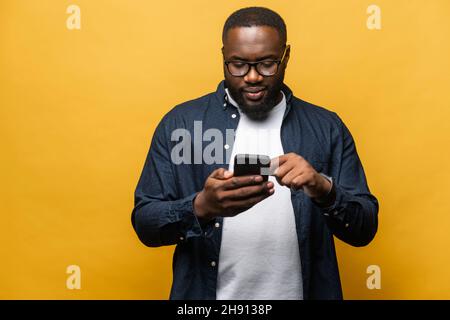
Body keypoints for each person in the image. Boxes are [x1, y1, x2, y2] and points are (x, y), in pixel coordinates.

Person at [131, 7, 378, 300]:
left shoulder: (326, 128)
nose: (251, 77)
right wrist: (201, 207)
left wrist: (323, 188)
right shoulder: (182, 124)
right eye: (237, 64)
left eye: (266, 64)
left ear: (286, 56)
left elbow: (364, 229)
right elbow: (145, 223)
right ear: (223, 56)